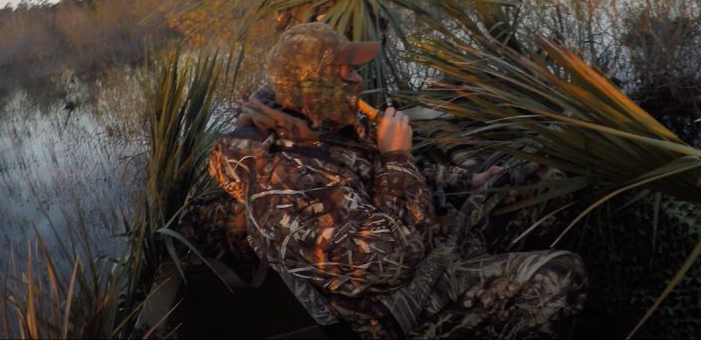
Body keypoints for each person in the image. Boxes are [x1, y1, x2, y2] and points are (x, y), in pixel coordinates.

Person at [209, 22, 587, 339]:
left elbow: (380, 177)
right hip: (406, 303)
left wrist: (466, 181)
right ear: (318, 88)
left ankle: (499, 278)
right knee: (558, 275)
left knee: (544, 181)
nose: (359, 80)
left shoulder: (324, 130)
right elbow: (388, 263)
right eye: (348, 73)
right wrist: (397, 156)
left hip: (433, 242)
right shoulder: (289, 182)